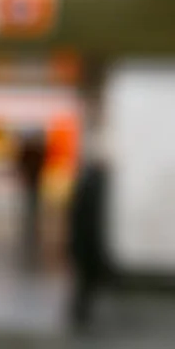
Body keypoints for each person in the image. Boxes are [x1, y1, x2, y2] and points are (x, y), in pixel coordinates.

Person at [67, 131, 115, 333]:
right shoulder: (94, 183)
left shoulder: (87, 181)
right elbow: (85, 217)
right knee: (86, 280)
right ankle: (79, 312)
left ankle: (80, 311)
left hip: (84, 242)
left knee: (85, 280)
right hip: (87, 242)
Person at [16, 130, 47, 269]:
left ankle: (31, 222)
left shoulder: (31, 150)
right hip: (33, 180)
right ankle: (32, 222)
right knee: (32, 202)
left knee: (31, 202)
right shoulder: (35, 150)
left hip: (33, 180)